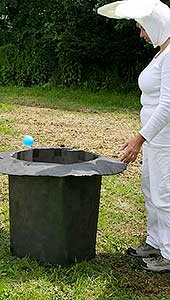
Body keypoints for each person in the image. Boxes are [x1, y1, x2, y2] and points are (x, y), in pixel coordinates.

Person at [98, 0, 170, 272]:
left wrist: (139, 138)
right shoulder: (162, 53)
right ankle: (155, 242)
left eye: (142, 27)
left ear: (157, 24)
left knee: (165, 194)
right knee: (151, 190)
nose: (141, 34)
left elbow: (167, 105)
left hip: (165, 139)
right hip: (155, 138)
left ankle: (169, 253)